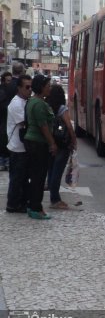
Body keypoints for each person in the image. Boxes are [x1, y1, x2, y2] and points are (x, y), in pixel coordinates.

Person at [24, 74, 56, 220]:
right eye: (48, 86)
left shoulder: (33, 101)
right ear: (41, 87)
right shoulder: (39, 104)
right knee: (38, 177)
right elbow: (43, 126)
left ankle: (33, 206)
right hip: (38, 144)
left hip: (34, 143)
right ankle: (36, 208)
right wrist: (52, 143)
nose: (49, 88)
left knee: (36, 176)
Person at [46, 84, 76, 209]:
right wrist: (74, 140)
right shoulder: (62, 108)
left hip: (50, 142)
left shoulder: (47, 106)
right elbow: (69, 126)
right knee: (57, 172)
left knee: (52, 169)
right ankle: (55, 199)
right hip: (62, 144)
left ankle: (53, 196)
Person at [5, 74, 32, 213]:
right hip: (17, 147)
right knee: (17, 177)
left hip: (22, 147)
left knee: (22, 177)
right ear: (19, 88)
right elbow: (25, 123)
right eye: (27, 87)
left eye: (31, 87)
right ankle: (12, 204)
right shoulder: (16, 104)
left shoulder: (26, 101)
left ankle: (21, 202)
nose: (30, 90)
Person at [0, 70, 14, 170]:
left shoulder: (11, 90)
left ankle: (5, 161)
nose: (10, 82)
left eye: (10, 80)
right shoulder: (2, 91)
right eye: (8, 81)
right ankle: (3, 161)